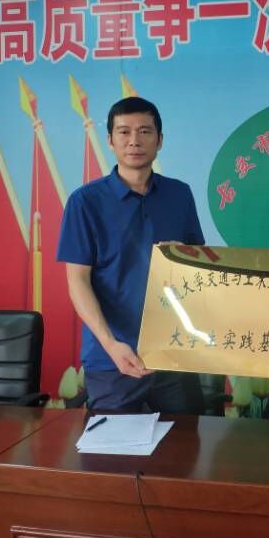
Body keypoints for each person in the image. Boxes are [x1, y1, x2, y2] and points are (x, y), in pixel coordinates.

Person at [57, 97, 205, 412]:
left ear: (159, 140)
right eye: (124, 132)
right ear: (110, 140)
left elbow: (199, 266)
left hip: (173, 353)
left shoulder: (179, 195)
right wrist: (110, 344)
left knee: (182, 441)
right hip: (112, 358)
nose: (134, 141)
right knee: (114, 443)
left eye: (144, 131)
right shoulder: (85, 202)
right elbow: (78, 281)